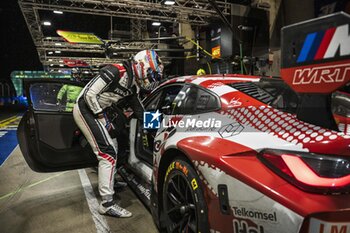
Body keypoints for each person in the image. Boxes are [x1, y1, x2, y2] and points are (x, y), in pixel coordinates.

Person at [73, 50, 163, 218]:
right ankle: (106, 204)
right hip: (85, 108)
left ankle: (111, 182)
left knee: (112, 146)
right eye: (151, 75)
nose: (150, 81)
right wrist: (101, 117)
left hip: (100, 111)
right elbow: (88, 95)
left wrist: (157, 127)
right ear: (141, 65)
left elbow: (139, 110)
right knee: (107, 154)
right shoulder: (115, 71)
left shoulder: (133, 85)